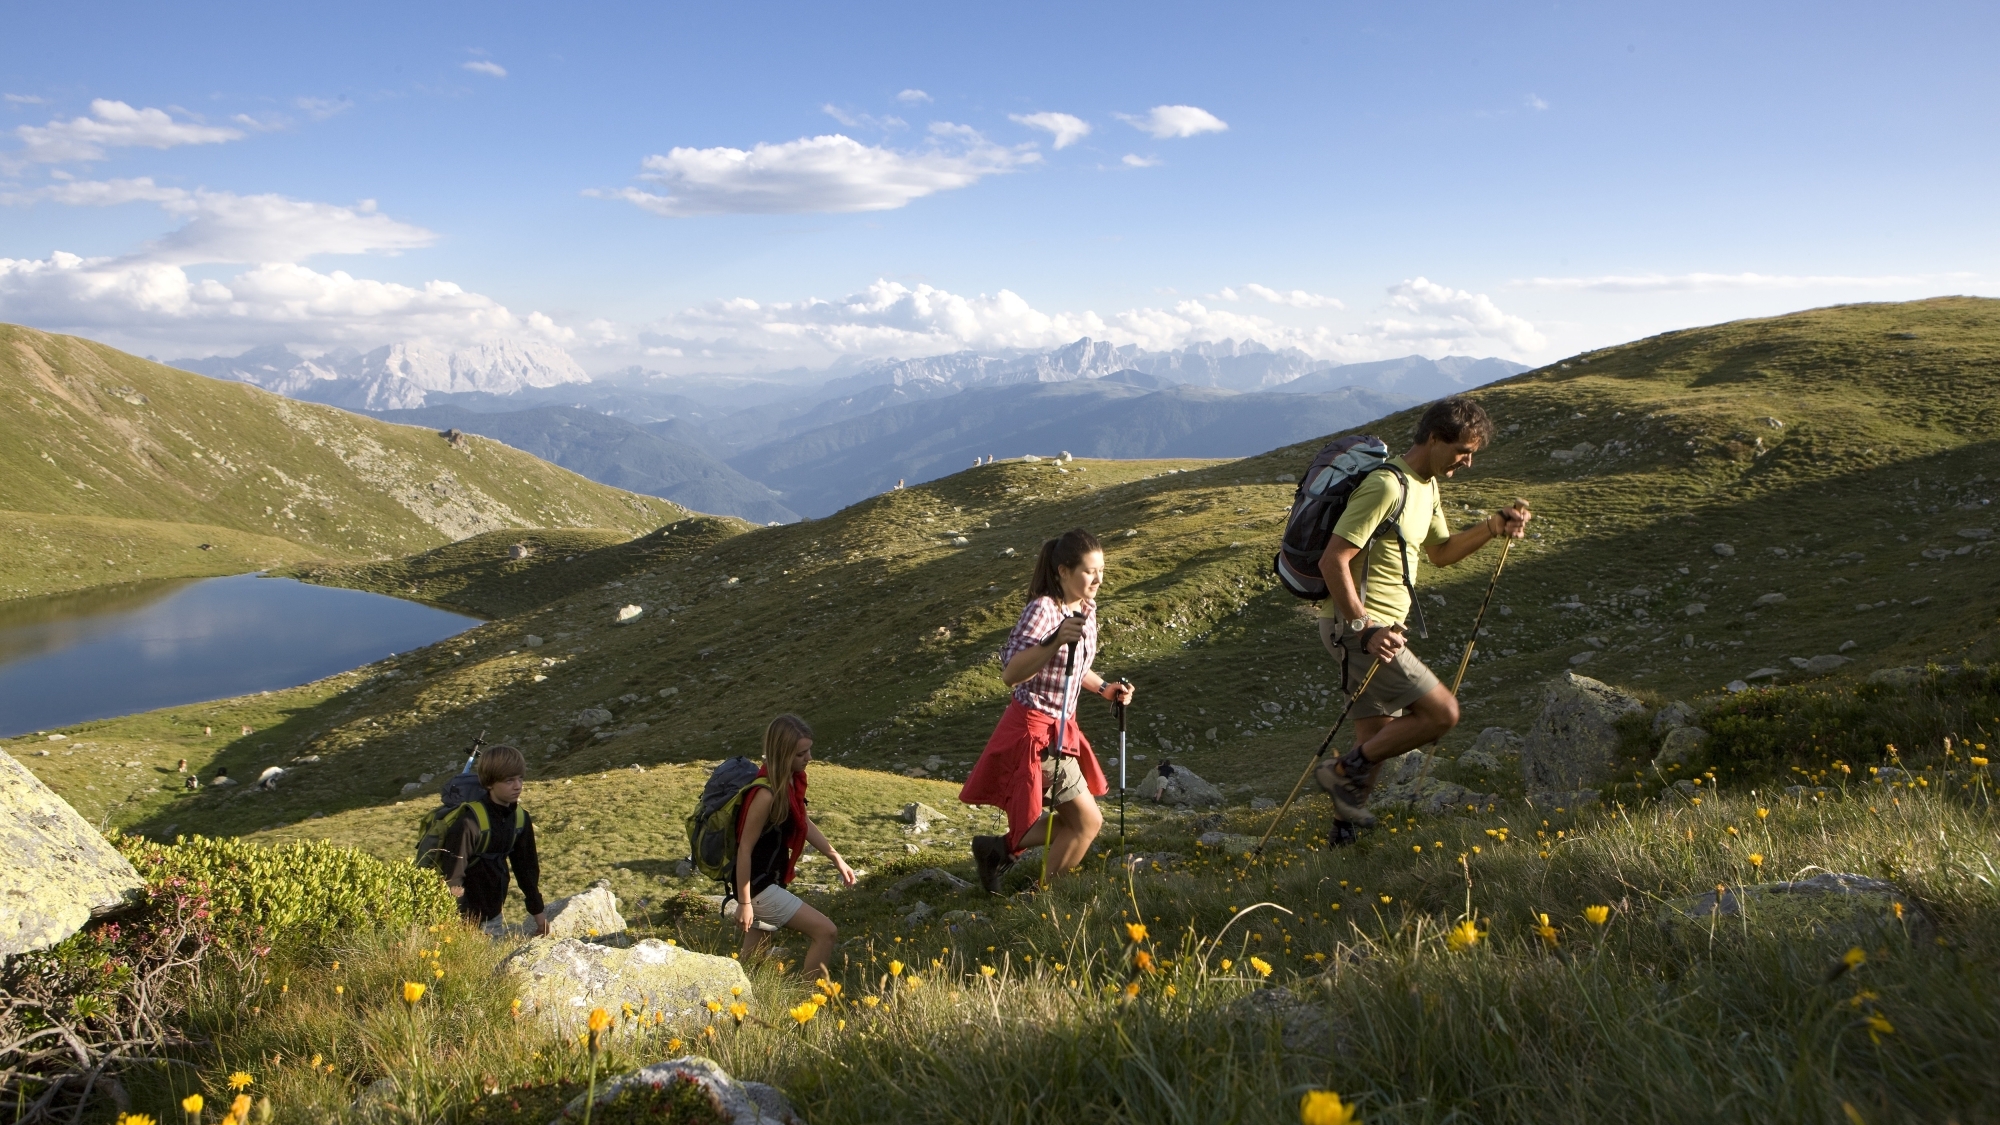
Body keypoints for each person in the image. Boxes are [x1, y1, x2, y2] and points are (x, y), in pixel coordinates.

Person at [1315, 396, 1531, 842]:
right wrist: (1365, 628)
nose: (1467, 462)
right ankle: (1338, 772)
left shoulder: (1426, 486)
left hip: (1379, 629)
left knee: (1375, 738)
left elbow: (1441, 552)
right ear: (1434, 438)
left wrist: (1491, 527)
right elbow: (1333, 560)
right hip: (1359, 628)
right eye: (1462, 451)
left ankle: (1343, 838)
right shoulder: (1387, 486)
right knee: (1441, 713)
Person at [962, 527, 1137, 893]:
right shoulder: (1044, 610)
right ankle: (1037, 891)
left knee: (1083, 822)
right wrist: (1055, 638)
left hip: (1058, 729)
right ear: (1063, 572)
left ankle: (1003, 857)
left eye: (1101, 569)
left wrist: (1104, 688)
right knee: (1086, 822)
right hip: (1031, 731)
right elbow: (1011, 672)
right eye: (1090, 570)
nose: (1098, 578)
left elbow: (1075, 665)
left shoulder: (1086, 610)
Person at [729, 714, 857, 979]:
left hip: (768, 882)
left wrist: (835, 857)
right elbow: (744, 848)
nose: (809, 757)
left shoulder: (790, 783)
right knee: (826, 932)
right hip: (758, 886)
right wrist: (744, 902)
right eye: (801, 753)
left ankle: (737, 1003)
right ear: (782, 753)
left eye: (809, 750)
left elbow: (803, 822)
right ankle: (811, 1000)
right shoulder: (766, 794)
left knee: (751, 964)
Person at [442, 744, 550, 935]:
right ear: (490, 783)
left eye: (520, 778)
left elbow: (526, 870)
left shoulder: (520, 818)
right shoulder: (469, 822)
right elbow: (452, 877)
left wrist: (538, 914)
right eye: (509, 780)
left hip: (493, 916)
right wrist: (458, 924)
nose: (517, 786)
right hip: (462, 921)